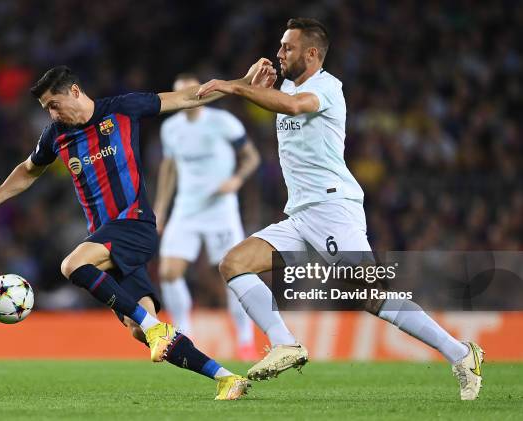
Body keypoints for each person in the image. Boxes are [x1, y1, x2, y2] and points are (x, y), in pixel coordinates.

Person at [198, 17, 484, 400]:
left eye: (288, 47)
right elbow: (270, 101)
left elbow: (297, 106)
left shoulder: (327, 87)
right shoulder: (285, 87)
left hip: (333, 208)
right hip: (300, 215)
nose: (279, 53)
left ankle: (462, 353)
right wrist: (249, 84)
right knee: (234, 264)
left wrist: (237, 87)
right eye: (281, 46)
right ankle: (285, 344)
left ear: (312, 54)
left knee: (372, 295)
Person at [0, 62, 271, 400]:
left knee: (72, 265)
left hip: (135, 224)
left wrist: (241, 83)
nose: (52, 113)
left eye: (54, 104)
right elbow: (28, 171)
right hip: (107, 240)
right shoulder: (55, 135)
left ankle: (157, 329)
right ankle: (226, 378)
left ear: (74, 91)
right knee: (140, 329)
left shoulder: (121, 109)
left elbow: (187, 97)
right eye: (46, 109)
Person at [154, 73, 260, 360]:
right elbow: (169, 168)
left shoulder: (222, 122)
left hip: (220, 209)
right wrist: (160, 209)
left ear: (200, 92)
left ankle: (245, 339)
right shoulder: (171, 129)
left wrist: (236, 181)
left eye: (188, 91)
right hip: (186, 208)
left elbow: (252, 157)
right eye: (177, 93)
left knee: (234, 274)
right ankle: (184, 333)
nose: (183, 98)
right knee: (168, 272)